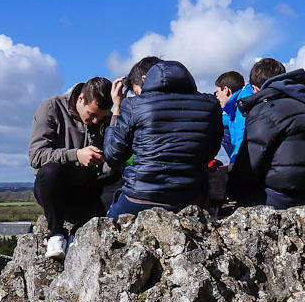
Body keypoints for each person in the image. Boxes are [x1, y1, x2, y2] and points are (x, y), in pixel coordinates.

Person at [103, 59, 223, 218]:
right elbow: (211, 151)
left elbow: (113, 156)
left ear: (145, 80)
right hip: (191, 197)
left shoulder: (134, 105)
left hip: (140, 197)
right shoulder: (211, 104)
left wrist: (117, 108)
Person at [228, 58, 305, 209]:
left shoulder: (264, 111)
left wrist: (231, 191)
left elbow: (249, 166)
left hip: (276, 199)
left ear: (255, 88)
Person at [29, 77, 114, 260]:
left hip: (88, 193)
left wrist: (104, 159)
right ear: (81, 98)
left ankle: (79, 231)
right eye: (92, 114)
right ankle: (56, 234)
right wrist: (76, 155)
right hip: (56, 192)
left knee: (121, 177)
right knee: (50, 171)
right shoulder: (51, 108)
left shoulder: (106, 119)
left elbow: (112, 163)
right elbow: (36, 156)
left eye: (100, 117)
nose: (94, 120)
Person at [214, 70, 251, 163]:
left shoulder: (242, 104)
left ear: (226, 90)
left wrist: (234, 162)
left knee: (220, 131)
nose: (217, 96)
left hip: (248, 155)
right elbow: (227, 120)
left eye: (217, 92)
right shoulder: (234, 107)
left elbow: (242, 136)